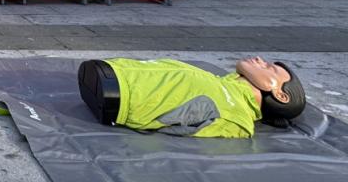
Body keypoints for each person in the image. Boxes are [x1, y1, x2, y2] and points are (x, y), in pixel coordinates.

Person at [78, 56, 307, 138]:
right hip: (112, 71)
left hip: (119, 96)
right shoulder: (220, 82)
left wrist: (149, 125)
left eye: (268, 67)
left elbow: (185, 129)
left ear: (280, 95)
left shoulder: (236, 118)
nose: (259, 59)